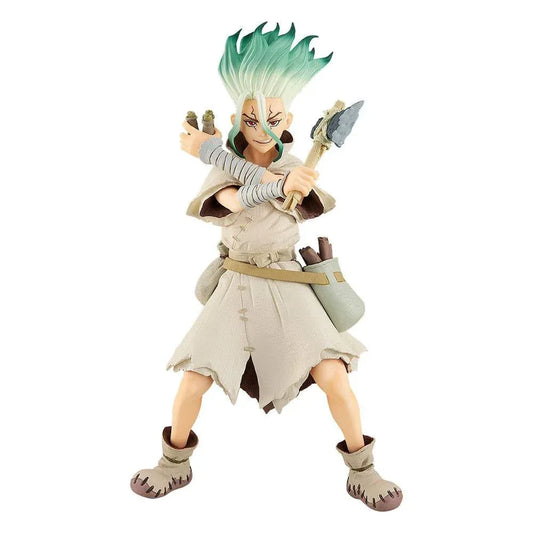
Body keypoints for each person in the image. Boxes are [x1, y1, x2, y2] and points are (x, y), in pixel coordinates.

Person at [130, 23, 402, 512]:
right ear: (238, 118)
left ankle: (363, 469)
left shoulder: (297, 167)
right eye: (251, 119)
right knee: (193, 379)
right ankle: (173, 463)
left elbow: (292, 192)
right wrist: (236, 165)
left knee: (334, 375)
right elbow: (235, 199)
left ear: (288, 118)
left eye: (272, 118)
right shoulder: (227, 168)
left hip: (288, 283)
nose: (261, 128)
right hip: (235, 285)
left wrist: (282, 177)